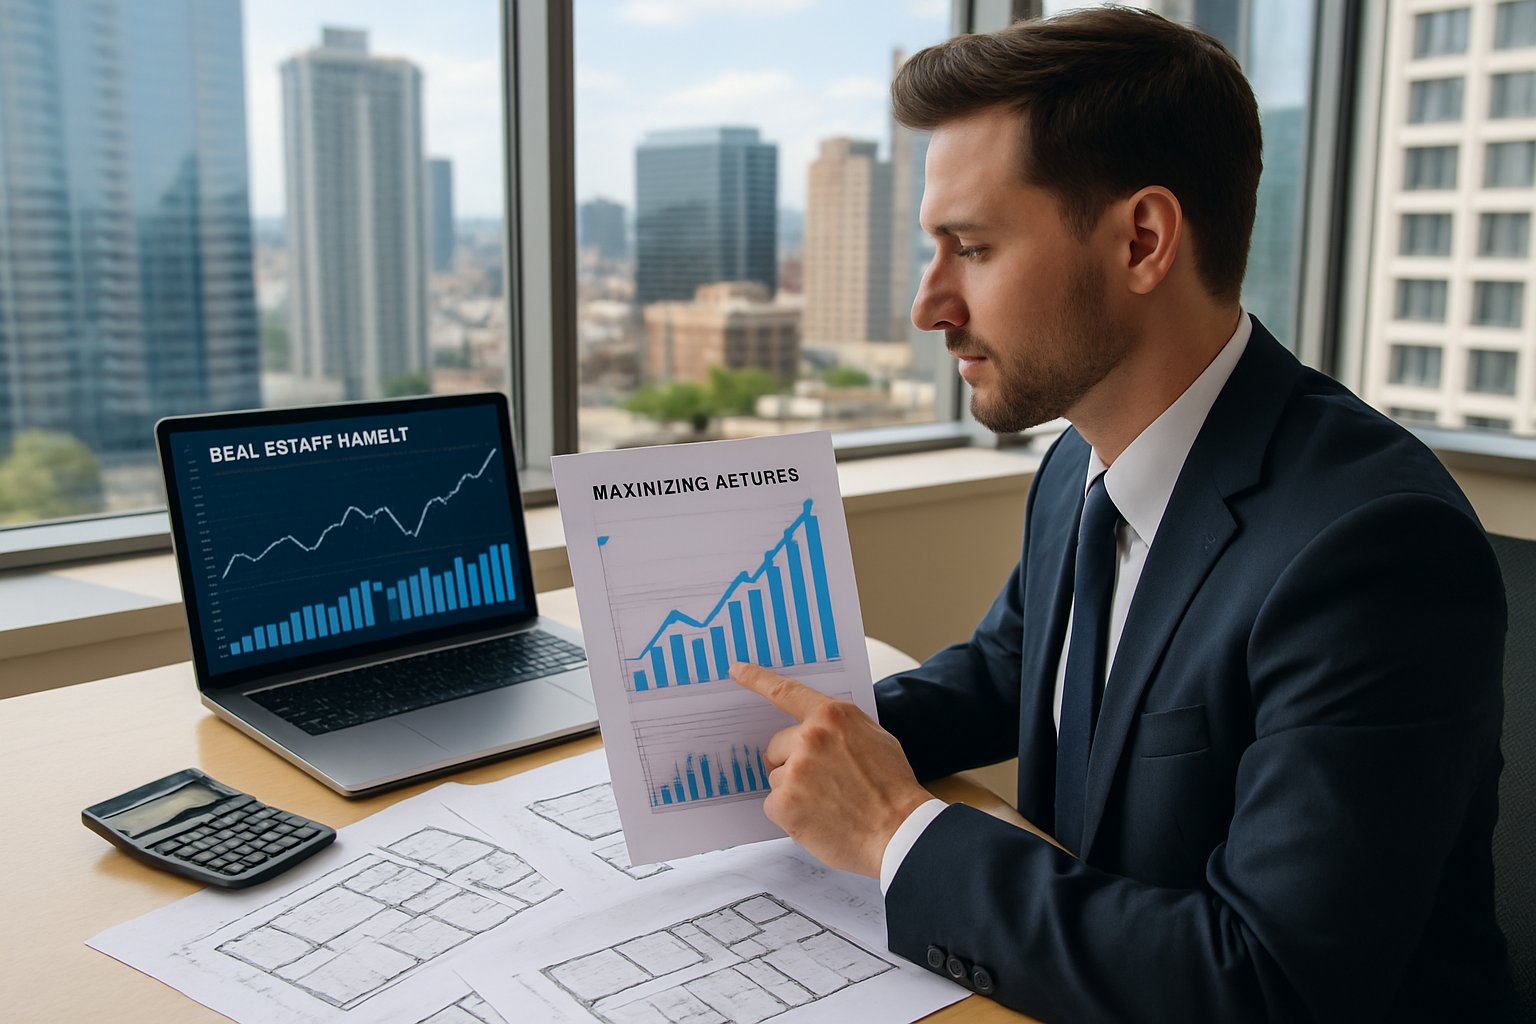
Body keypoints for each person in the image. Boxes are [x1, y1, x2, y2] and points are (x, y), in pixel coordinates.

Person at [727, 7, 1514, 1023]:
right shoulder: (1082, 459)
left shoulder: (1373, 550)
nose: (930, 305)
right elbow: (1016, 671)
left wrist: (893, 830)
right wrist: (805, 732)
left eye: (971, 246)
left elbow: (1265, 982)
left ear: (1142, 239)